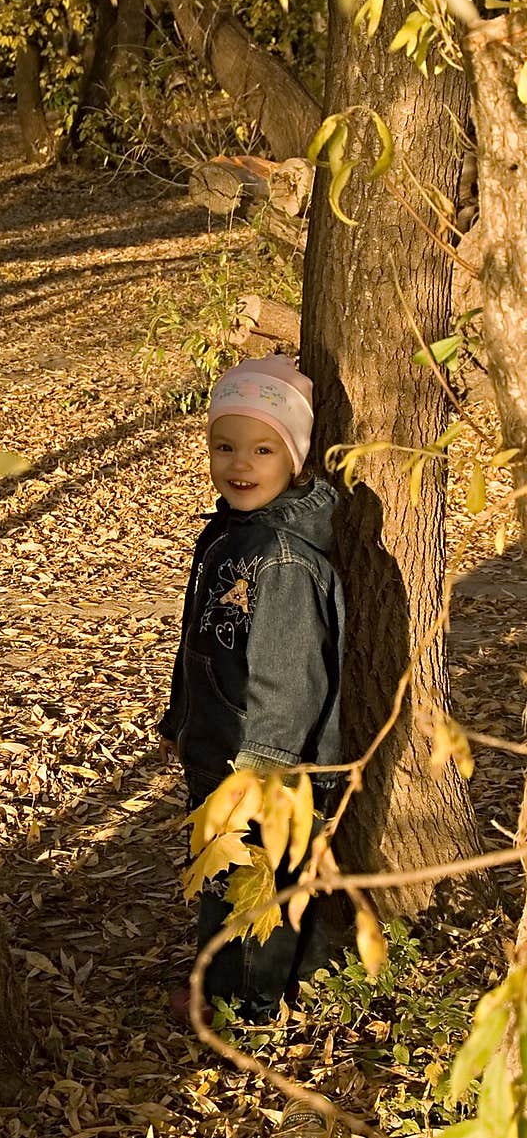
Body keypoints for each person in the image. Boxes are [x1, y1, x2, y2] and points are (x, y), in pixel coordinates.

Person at [158, 354, 345, 1024]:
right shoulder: (231, 536)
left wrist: (257, 772)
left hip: (266, 768)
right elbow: (204, 644)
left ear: (293, 459)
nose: (240, 464)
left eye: (263, 449)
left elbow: (291, 680)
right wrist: (178, 722)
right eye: (225, 446)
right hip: (220, 753)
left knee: (253, 886)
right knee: (222, 876)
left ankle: (245, 1009)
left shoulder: (285, 560)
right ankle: (233, 986)